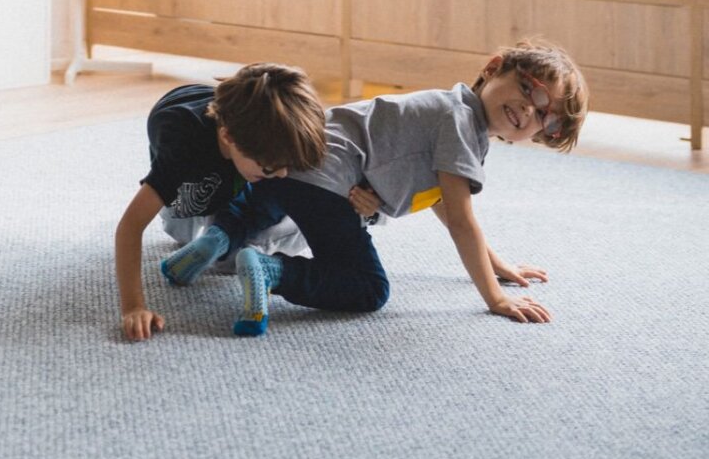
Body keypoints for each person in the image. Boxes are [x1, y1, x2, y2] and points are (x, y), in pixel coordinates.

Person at [173, 37, 588, 337]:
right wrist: (495, 297)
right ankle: (271, 270)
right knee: (367, 288)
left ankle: (215, 239)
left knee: (265, 202)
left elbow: (442, 201)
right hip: (327, 180)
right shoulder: (461, 124)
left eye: (544, 118)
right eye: (529, 89)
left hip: (291, 159)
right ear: (494, 67)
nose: (528, 110)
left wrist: (496, 263)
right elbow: (462, 221)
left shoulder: (452, 114)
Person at [114, 63, 326, 342]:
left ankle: (219, 237)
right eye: (270, 168)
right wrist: (134, 307)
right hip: (186, 194)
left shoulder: (259, 131)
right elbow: (130, 227)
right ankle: (225, 237)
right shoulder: (181, 155)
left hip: (207, 181)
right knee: (292, 222)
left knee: (264, 196)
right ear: (228, 136)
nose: (282, 174)